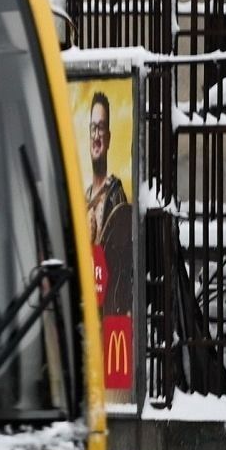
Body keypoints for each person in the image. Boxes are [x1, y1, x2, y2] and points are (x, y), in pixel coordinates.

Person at [86, 91, 133, 317]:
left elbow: (123, 268)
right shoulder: (84, 197)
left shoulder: (116, 194)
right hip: (86, 313)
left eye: (101, 128)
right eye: (93, 128)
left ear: (109, 138)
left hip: (111, 312)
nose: (97, 135)